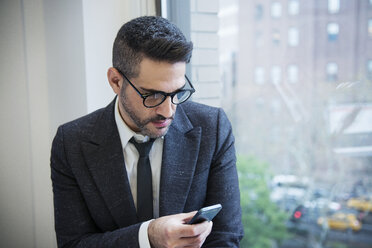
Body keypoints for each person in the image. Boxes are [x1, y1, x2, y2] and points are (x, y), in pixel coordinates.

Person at [50, 16, 243, 248]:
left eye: (177, 92)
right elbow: (73, 244)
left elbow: (226, 237)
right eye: (152, 94)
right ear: (115, 81)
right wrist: (148, 236)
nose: (168, 110)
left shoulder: (214, 128)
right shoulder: (71, 143)